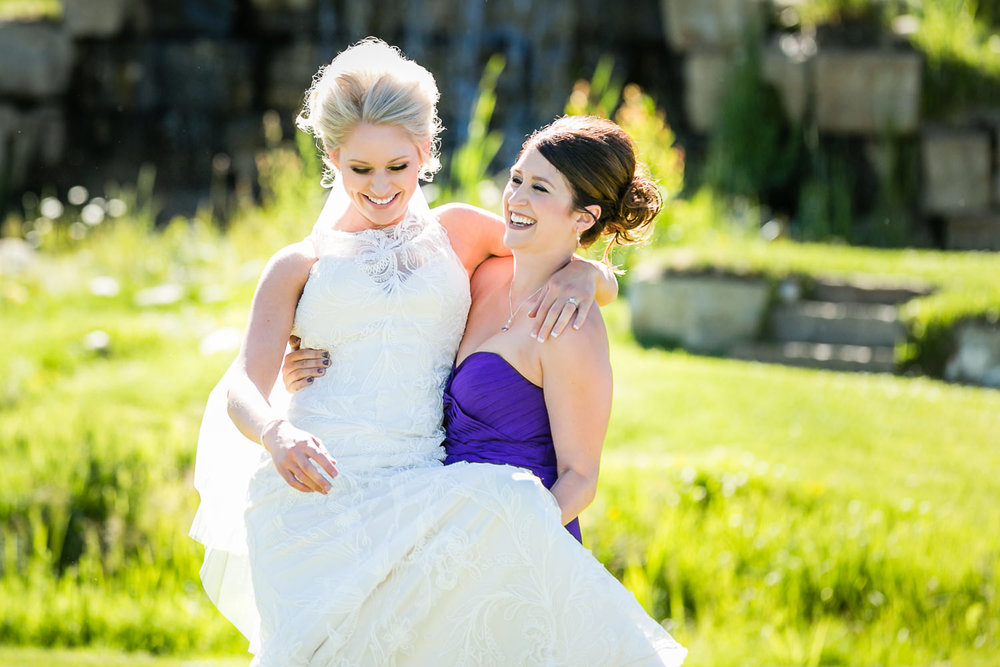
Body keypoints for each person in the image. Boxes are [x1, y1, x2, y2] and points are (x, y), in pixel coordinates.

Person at [191, 38, 686, 665]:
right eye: (360, 170)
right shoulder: (297, 266)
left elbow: (555, 249)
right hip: (312, 493)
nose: (378, 188)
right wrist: (275, 431)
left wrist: (591, 277)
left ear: (425, 154)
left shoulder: (458, 231)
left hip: (419, 491)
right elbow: (240, 383)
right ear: (334, 158)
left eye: (397, 167)